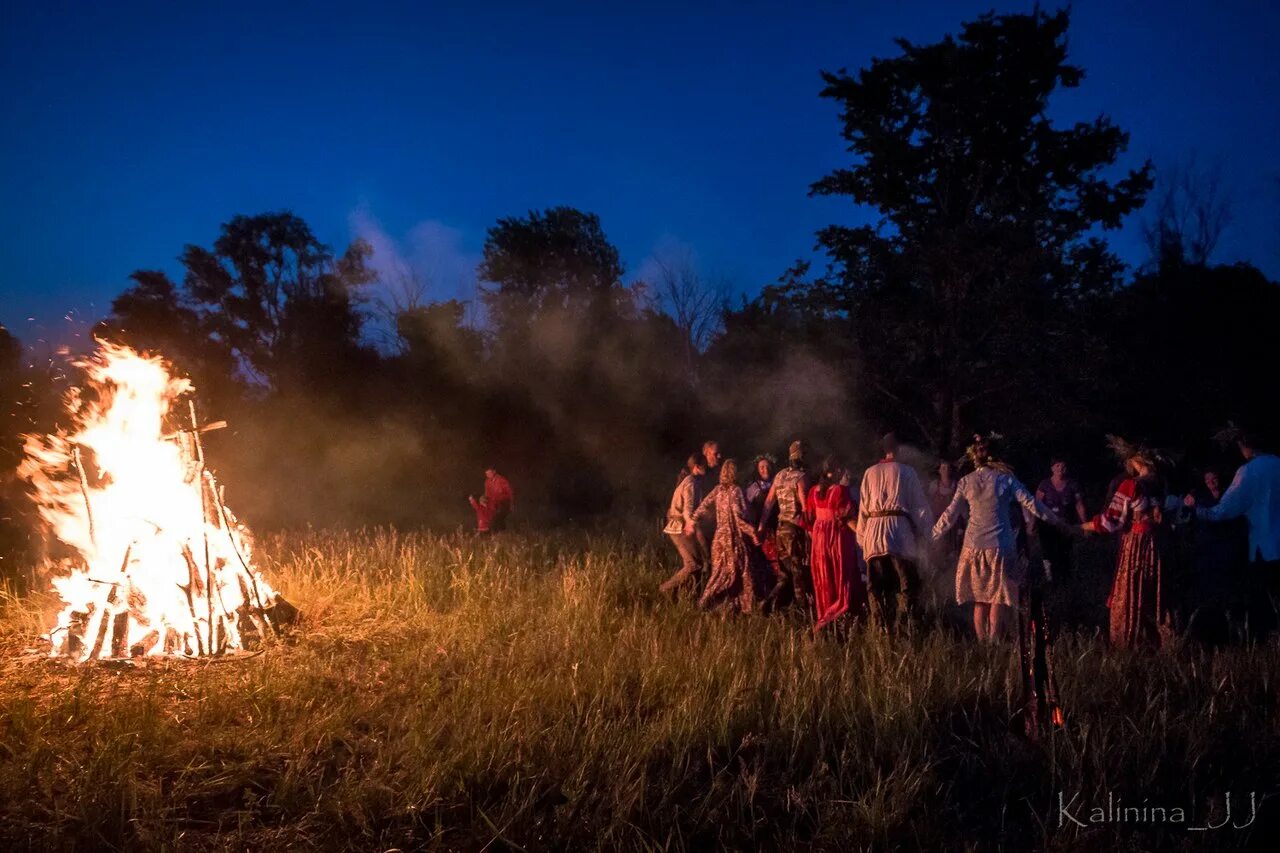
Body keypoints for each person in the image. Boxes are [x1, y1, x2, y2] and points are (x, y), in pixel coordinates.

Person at [933, 434, 1064, 642]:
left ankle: (983, 645)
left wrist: (932, 534)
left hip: (973, 547)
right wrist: (1056, 520)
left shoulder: (966, 482)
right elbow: (1031, 503)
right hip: (1000, 546)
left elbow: (950, 514)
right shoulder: (1006, 479)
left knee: (979, 599)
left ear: (974, 457)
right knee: (997, 598)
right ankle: (993, 644)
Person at [1188, 426, 1280, 640]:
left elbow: (1223, 511)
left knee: (1263, 604)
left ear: (1245, 445)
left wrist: (1197, 511)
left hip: (1263, 549)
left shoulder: (1248, 472)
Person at [1084, 436, 1175, 648]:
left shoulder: (1131, 485)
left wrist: (1080, 527)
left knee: (1131, 590)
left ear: (1135, 462)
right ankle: (1158, 639)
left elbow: (1109, 522)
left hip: (1136, 543)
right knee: (1154, 589)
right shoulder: (1161, 484)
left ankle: (1129, 641)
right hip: (1156, 544)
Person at [858, 433, 933, 634]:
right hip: (899, 534)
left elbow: (864, 509)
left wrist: (863, 538)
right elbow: (919, 507)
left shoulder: (869, 472)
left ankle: (881, 629)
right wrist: (929, 533)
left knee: (877, 587)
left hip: (874, 533)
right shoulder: (907, 472)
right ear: (897, 449)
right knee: (905, 584)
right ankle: (902, 627)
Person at [805, 456, 868, 631]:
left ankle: (825, 619)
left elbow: (809, 520)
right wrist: (864, 534)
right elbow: (846, 518)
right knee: (842, 577)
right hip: (836, 541)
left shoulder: (813, 491)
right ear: (836, 471)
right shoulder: (839, 491)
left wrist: (817, 538)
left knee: (824, 579)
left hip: (819, 542)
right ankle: (836, 618)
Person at [692, 459, 761, 613]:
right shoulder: (736, 491)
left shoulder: (717, 490)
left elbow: (702, 507)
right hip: (732, 539)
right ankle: (747, 608)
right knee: (743, 574)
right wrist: (752, 532)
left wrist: (693, 520)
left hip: (718, 539)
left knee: (718, 575)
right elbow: (739, 517)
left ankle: (711, 604)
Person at [762, 440, 811, 610]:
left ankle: (769, 604)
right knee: (798, 572)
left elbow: (768, 502)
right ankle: (802, 609)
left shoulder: (780, 476)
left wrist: (761, 525)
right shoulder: (801, 477)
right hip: (794, 529)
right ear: (802, 456)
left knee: (784, 574)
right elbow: (805, 506)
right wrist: (810, 530)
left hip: (780, 529)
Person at [659, 454, 707, 595]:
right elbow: (688, 509)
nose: (707, 468)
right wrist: (690, 525)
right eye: (704, 465)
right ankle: (665, 589)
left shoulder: (694, 481)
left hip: (681, 524)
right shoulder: (691, 483)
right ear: (697, 467)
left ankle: (693, 595)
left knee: (696, 563)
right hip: (679, 525)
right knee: (693, 564)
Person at [1034, 459, 1088, 583]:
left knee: (1065, 551)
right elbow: (1036, 504)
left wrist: (1084, 525)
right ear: (1052, 468)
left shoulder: (1073, 485)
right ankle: (1050, 578)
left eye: (1063, 466)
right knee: (1048, 550)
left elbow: (1079, 505)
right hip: (1047, 525)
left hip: (1066, 524)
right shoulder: (1044, 485)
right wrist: (1032, 523)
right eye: (1057, 466)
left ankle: (1065, 579)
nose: (1060, 469)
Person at [482, 466, 514, 531]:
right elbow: (487, 494)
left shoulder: (502, 480)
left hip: (504, 502)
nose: (488, 475)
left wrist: (511, 504)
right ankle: (500, 533)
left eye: (489, 473)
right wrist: (485, 502)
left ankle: (500, 532)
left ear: (494, 472)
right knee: (495, 519)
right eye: (486, 474)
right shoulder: (487, 482)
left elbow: (509, 492)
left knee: (499, 517)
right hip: (494, 503)